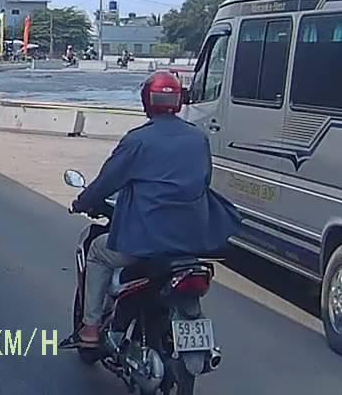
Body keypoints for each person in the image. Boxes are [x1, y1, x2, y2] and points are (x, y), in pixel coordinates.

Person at [67, 70, 241, 348]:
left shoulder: (137, 140)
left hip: (145, 243)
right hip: (192, 242)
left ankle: (90, 328)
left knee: (97, 253)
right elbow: (203, 181)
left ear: (146, 101)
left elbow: (106, 183)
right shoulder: (198, 138)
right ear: (179, 102)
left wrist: (82, 202)